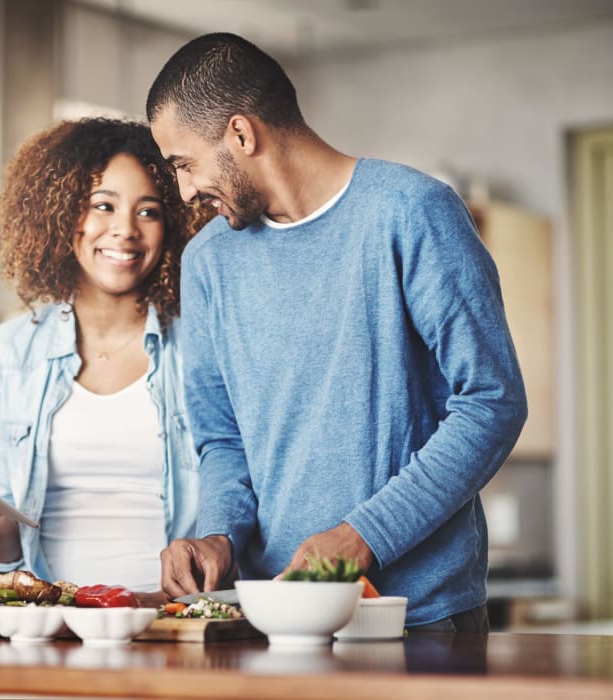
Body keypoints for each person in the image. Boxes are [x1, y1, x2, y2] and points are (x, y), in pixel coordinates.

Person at [147, 33, 528, 632]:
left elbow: (492, 402)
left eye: (184, 164)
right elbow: (222, 439)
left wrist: (363, 537)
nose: (185, 191)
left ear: (242, 135)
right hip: (271, 615)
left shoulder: (413, 213)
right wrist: (219, 532)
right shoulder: (208, 262)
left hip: (417, 619)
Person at [0, 118, 210, 604]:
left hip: (173, 623)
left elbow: (238, 506)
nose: (125, 230)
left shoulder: (204, 346)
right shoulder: (7, 355)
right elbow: (7, 556)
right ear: (62, 216)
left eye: (149, 211)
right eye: (103, 206)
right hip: (52, 625)